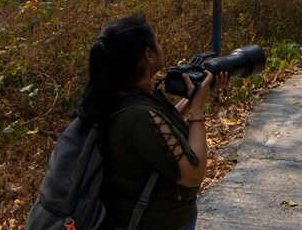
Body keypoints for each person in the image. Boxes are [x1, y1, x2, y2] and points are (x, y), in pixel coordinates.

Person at [78, 14, 229, 230]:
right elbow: (193, 175)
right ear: (148, 55)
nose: (160, 46)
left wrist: (191, 100)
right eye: (157, 42)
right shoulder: (139, 116)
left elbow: (160, 131)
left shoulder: (126, 97)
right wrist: (197, 110)